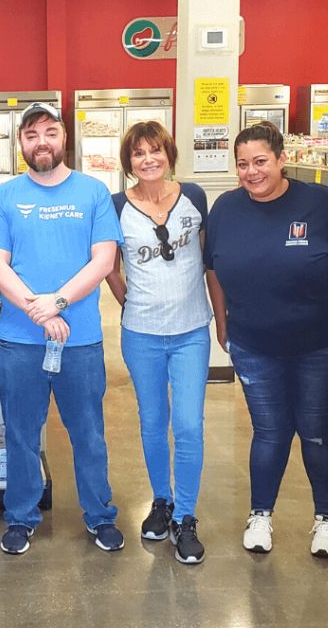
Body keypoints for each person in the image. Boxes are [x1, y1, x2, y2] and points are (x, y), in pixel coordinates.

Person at [203, 121, 328, 558]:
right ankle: (261, 515)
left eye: (261, 162)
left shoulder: (320, 202)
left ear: (282, 160)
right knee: (269, 433)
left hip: (321, 344)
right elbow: (213, 268)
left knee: (319, 433)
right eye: (243, 164)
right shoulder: (226, 208)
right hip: (254, 345)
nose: (251, 172)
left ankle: (326, 521)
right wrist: (221, 319)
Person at [0, 101, 124, 555]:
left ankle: (100, 516)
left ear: (63, 137)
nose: (41, 141)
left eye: (49, 132)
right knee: (21, 434)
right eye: (31, 134)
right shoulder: (4, 196)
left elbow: (104, 260)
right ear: (20, 143)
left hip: (80, 339)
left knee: (89, 434)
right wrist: (39, 311)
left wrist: (58, 302)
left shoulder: (93, 192)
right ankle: (21, 518)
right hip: (20, 341)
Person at [103, 120, 211, 564]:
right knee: (152, 422)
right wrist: (132, 302)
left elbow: (207, 258)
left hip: (191, 332)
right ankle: (161, 502)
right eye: (138, 153)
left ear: (169, 153)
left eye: (155, 151)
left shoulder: (195, 198)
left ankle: (186, 516)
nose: (147, 159)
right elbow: (109, 266)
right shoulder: (115, 206)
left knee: (187, 424)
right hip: (141, 334)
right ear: (129, 162)